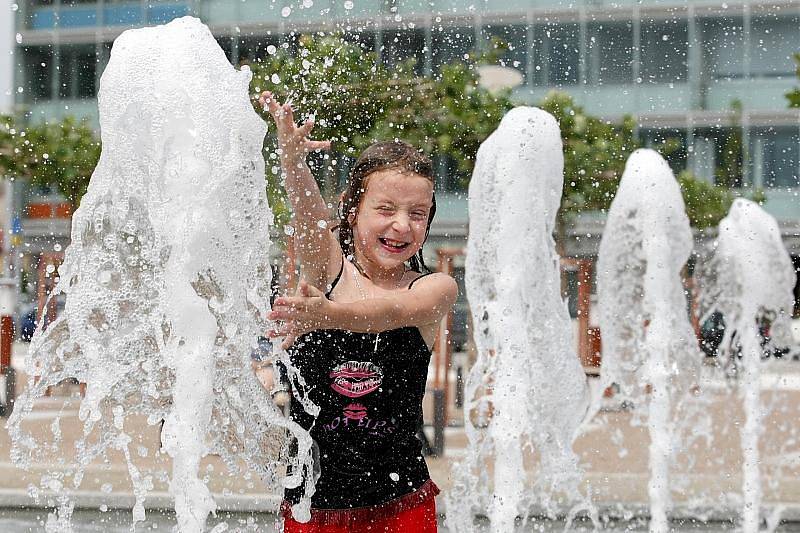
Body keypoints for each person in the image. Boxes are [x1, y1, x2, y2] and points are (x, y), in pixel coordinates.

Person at [259, 91, 457, 533]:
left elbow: (388, 312)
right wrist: (293, 163)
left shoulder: (433, 289)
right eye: (384, 209)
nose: (401, 225)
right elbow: (308, 216)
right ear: (351, 211)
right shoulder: (327, 271)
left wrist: (328, 315)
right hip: (310, 506)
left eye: (417, 214)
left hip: (401, 505)